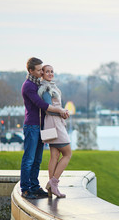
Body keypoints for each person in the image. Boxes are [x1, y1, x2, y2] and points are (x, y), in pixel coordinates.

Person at [21, 57, 69, 199]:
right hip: (32, 126)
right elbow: (41, 105)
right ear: (30, 71)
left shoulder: (38, 84)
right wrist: (60, 111)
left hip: (41, 126)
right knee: (29, 159)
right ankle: (25, 189)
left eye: (43, 69)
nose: (42, 72)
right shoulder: (29, 86)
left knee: (37, 159)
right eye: (39, 70)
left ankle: (35, 187)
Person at [38, 65, 72, 198]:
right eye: (47, 71)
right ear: (42, 74)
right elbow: (48, 108)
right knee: (68, 153)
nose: (50, 73)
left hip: (52, 122)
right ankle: (53, 183)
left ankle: (52, 189)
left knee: (54, 156)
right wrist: (61, 112)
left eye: (52, 71)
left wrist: (63, 112)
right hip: (54, 123)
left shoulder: (51, 87)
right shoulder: (46, 89)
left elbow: (55, 107)